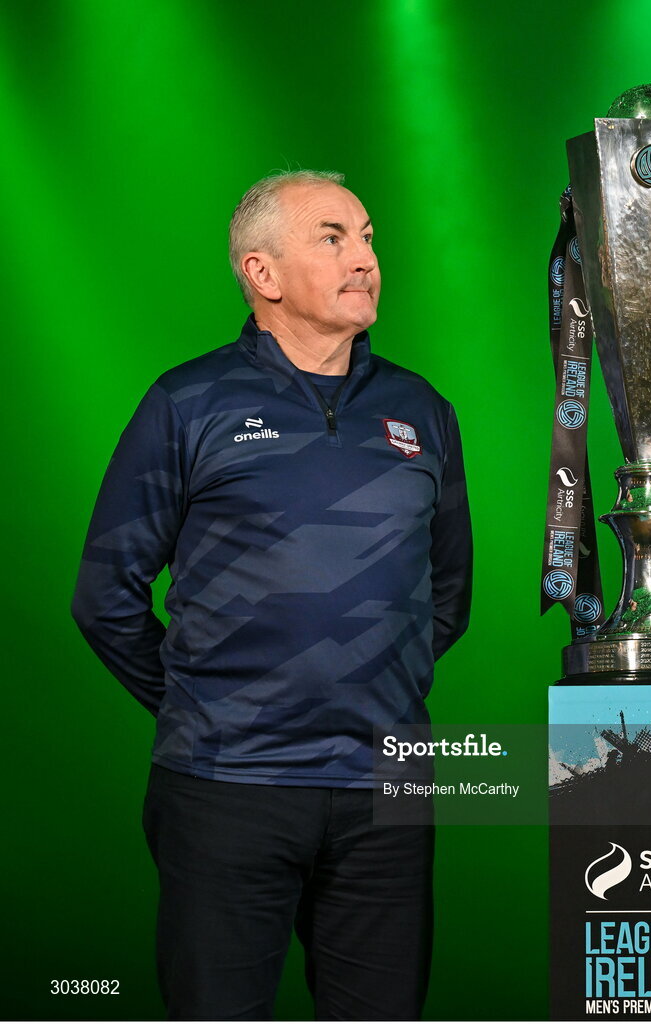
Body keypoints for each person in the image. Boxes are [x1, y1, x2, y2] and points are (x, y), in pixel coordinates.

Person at [71, 170, 473, 1021]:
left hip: (384, 794)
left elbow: (447, 595)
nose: (365, 258)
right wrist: (205, 703)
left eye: (368, 237)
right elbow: (106, 594)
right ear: (263, 273)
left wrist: (367, 690)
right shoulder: (188, 402)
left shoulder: (422, 410)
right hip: (225, 790)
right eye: (333, 237)